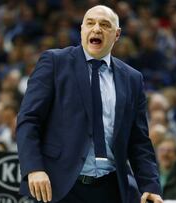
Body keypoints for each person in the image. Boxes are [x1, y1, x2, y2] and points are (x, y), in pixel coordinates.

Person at [17, 5, 162, 203]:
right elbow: (28, 120)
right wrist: (34, 168)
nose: (96, 29)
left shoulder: (132, 78)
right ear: (82, 29)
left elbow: (139, 141)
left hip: (110, 189)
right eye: (90, 23)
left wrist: (150, 186)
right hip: (58, 186)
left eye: (104, 25)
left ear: (117, 34)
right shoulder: (54, 62)